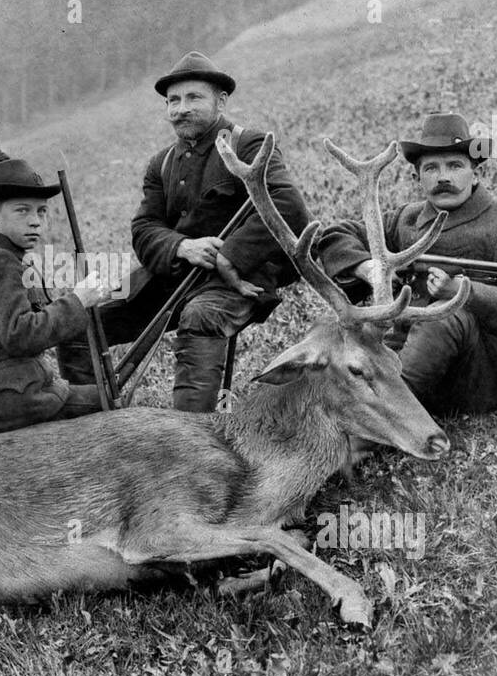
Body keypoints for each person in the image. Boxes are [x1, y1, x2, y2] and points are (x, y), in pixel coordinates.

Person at [59, 51, 310, 411]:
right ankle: (89, 421)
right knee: (81, 320)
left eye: (193, 98)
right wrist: (182, 247)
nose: (180, 109)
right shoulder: (160, 163)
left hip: (234, 284)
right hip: (171, 279)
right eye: (173, 101)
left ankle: (192, 437)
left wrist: (227, 256)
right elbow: (144, 228)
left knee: (200, 316)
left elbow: (288, 207)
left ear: (221, 101)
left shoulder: (249, 145)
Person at [317, 111, 497, 414]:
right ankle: (352, 409)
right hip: (407, 357)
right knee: (334, 337)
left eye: (455, 165)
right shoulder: (406, 220)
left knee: (442, 316)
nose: (443, 177)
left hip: (483, 375)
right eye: (431, 168)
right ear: (417, 178)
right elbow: (336, 235)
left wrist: (463, 293)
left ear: (476, 173)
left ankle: (380, 418)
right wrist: (369, 268)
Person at [0, 159, 110, 437]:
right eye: (22, 211)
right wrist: (78, 300)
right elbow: (20, 335)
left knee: (101, 389)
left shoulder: (1, 255)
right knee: (110, 403)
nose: (35, 221)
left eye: (41, 211)